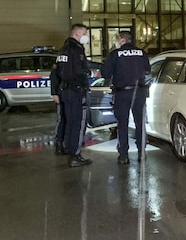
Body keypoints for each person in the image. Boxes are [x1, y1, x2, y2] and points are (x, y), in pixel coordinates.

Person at [101, 31, 151, 164]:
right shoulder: (141, 53)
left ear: (122, 40)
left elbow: (105, 73)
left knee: (122, 124)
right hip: (139, 92)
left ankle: (123, 155)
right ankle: (141, 153)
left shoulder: (115, 54)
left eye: (117, 39)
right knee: (140, 123)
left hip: (122, 93)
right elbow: (147, 69)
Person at [54, 24, 92, 167]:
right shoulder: (76, 50)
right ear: (77, 33)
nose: (85, 37)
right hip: (76, 91)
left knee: (70, 122)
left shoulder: (63, 49)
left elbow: (58, 72)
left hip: (65, 91)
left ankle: (69, 150)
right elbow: (77, 72)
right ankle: (75, 155)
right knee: (78, 124)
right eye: (84, 33)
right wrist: (88, 75)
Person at [50, 64, 67, 156]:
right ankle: (59, 144)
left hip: (68, 94)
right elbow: (54, 78)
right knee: (62, 119)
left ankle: (65, 143)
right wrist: (54, 93)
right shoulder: (59, 62)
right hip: (61, 93)